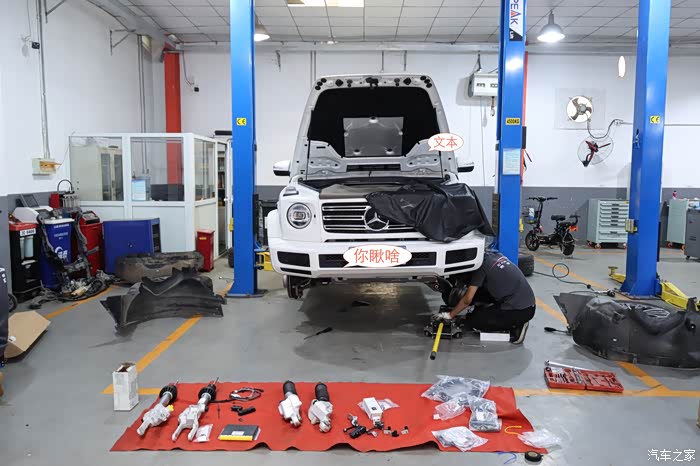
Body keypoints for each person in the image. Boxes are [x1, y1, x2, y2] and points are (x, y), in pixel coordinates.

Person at [438, 250, 536, 344]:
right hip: (524, 302)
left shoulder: (481, 268)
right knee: (479, 293)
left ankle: (517, 326)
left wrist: (450, 315)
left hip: (520, 310)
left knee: (474, 320)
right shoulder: (492, 256)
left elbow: (467, 300)